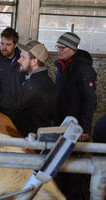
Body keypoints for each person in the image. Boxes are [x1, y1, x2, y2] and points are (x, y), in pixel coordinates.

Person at [0, 41, 56, 138]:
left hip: (32, 142)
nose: (19, 60)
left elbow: (16, 100)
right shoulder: (46, 80)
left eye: (23, 57)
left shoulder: (35, 85)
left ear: (34, 61)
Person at [53, 32, 97, 200]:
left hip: (76, 127)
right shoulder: (62, 65)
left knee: (73, 164)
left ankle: (74, 195)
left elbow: (90, 101)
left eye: (62, 48)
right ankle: (64, 193)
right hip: (61, 123)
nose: (58, 51)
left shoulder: (83, 69)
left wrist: (84, 128)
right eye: (57, 47)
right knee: (62, 161)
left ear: (73, 48)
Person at [0, 27, 25, 126]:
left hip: (20, 111)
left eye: (8, 44)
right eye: (2, 43)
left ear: (15, 45)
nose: (4, 47)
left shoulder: (24, 61)